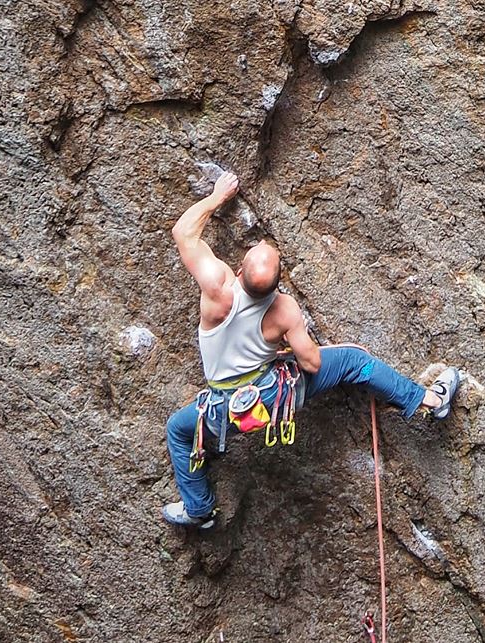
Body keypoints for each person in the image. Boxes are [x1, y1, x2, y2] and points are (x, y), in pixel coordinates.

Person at [162, 171, 460, 528]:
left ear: (238, 268)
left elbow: (183, 231)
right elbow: (313, 362)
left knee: (179, 430)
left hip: (222, 411)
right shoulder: (284, 310)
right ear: (278, 281)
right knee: (352, 361)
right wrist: (284, 349)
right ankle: (428, 401)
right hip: (273, 399)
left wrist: (217, 196)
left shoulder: (217, 288)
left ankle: (198, 510)